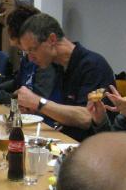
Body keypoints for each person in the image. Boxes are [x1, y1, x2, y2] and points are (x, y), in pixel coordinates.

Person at [15, 13, 114, 141]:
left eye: (32, 50)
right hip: (65, 141)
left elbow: (87, 117)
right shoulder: (59, 66)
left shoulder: (93, 65)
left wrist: (37, 102)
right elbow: (64, 112)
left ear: (52, 39)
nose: (30, 58)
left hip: (92, 147)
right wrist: (34, 110)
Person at [0, 6, 61, 113]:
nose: (29, 55)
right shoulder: (28, 58)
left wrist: (0, 96)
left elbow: (35, 101)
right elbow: (18, 83)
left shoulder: (45, 61)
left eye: (20, 45)